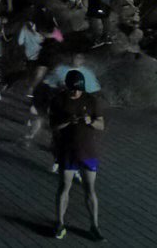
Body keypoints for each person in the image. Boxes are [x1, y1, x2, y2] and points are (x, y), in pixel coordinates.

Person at [49, 70, 105, 241]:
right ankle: (60, 224)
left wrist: (91, 122)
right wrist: (66, 122)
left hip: (87, 151)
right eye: (73, 89)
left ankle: (94, 225)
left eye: (79, 89)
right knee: (64, 187)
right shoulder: (58, 100)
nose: (76, 92)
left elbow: (101, 125)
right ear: (67, 87)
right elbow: (53, 126)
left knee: (90, 189)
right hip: (67, 151)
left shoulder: (91, 100)